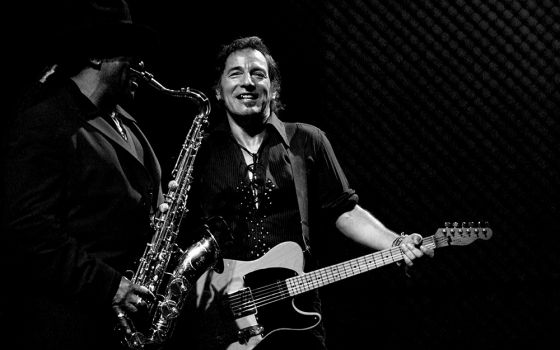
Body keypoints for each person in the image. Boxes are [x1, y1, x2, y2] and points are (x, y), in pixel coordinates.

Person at [167, 36, 435, 350]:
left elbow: (344, 210)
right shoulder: (200, 150)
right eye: (235, 73)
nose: (248, 82)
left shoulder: (307, 140)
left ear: (273, 87)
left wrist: (395, 242)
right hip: (219, 308)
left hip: (297, 306)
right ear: (218, 89)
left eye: (258, 73)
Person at [1, 1, 163, 349]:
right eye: (131, 53)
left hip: (125, 325)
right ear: (96, 54)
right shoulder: (46, 120)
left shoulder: (128, 123)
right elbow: (32, 232)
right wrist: (109, 287)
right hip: (71, 324)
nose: (141, 65)